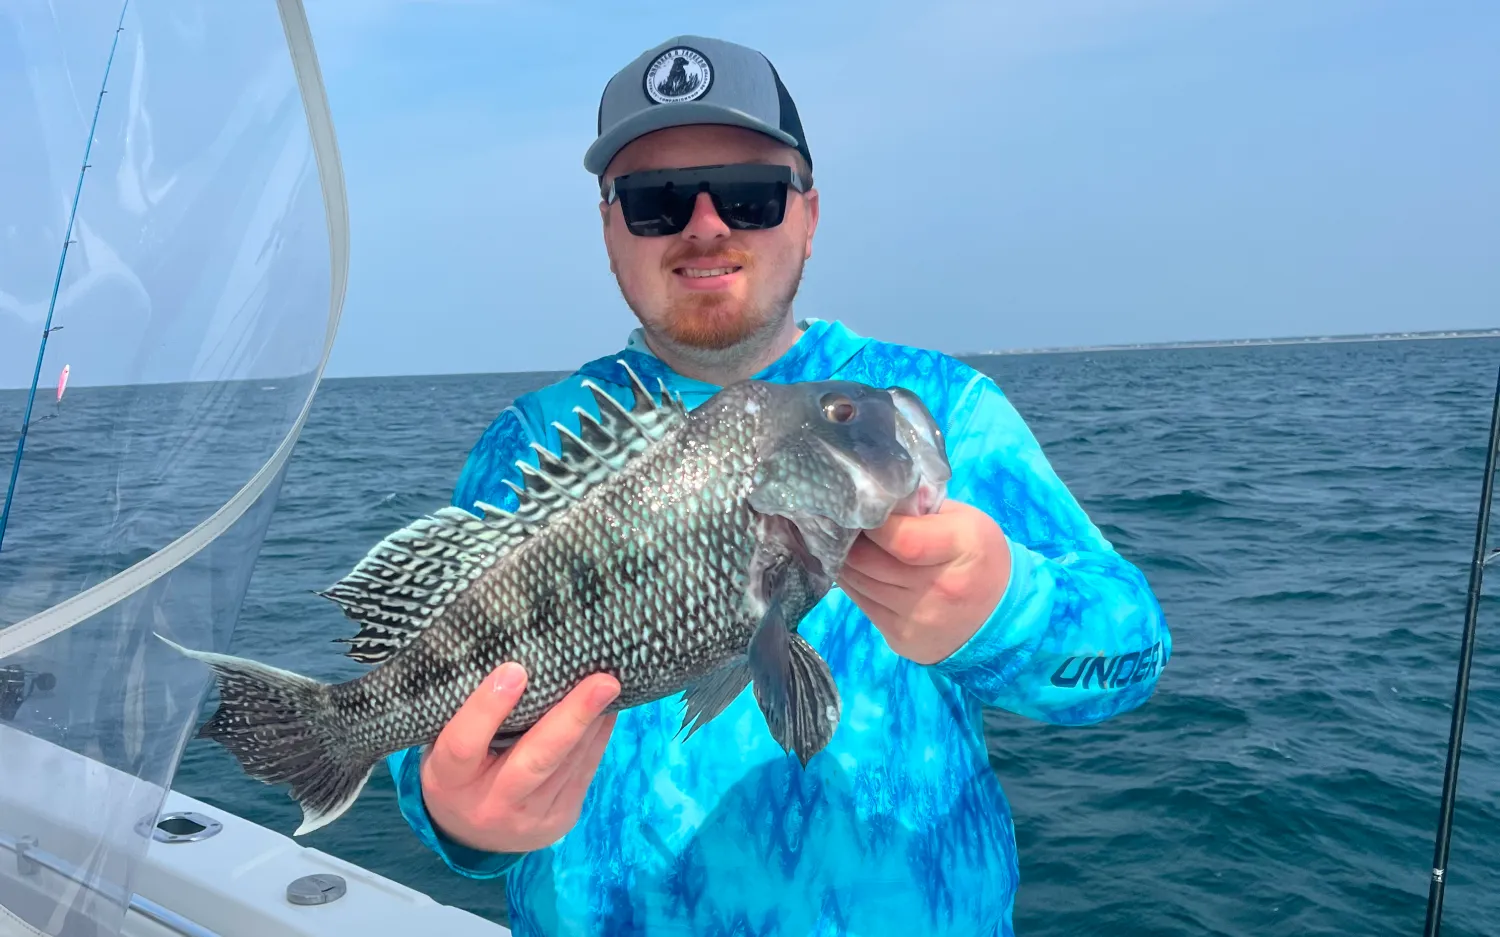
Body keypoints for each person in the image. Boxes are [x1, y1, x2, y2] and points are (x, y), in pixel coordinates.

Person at [389, 34, 1172, 937]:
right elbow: (431, 737)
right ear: (609, 229)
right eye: (655, 201)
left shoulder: (935, 405)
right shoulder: (531, 441)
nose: (708, 225)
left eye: (752, 194)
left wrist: (1005, 609)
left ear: (807, 214)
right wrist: (459, 816)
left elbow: (1133, 653)